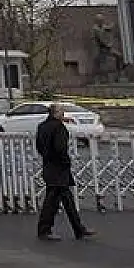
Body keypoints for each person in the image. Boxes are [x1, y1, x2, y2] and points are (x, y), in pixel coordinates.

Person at [35, 102, 96, 242]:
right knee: (54, 201)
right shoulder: (59, 128)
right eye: (62, 112)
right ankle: (46, 229)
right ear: (56, 113)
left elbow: (39, 146)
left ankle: (78, 229)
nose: (63, 114)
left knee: (63, 199)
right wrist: (65, 161)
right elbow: (60, 148)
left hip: (48, 165)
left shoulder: (42, 127)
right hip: (59, 168)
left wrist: (47, 157)